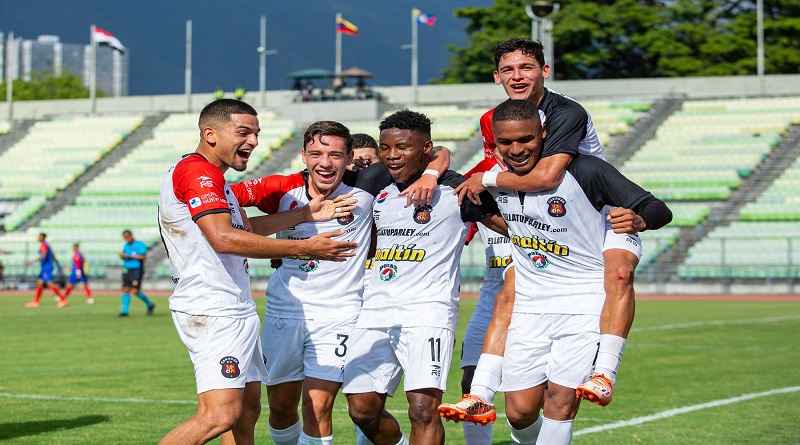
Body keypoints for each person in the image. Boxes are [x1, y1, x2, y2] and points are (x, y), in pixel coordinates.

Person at [442, 39, 649, 428]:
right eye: (508, 69)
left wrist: (485, 179)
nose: (517, 76)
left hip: (597, 213)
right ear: (497, 77)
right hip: (543, 218)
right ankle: (481, 396)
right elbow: (506, 169)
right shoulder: (494, 118)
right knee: (509, 292)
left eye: (526, 67)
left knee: (619, 273)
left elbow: (546, 177)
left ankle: (604, 372)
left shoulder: (566, 111)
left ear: (545, 71)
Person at [230, 121, 450, 445]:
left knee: (317, 406)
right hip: (283, 312)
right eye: (316, 154)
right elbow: (227, 204)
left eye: (335, 155)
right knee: (280, 407)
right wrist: (298, 224)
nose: (325, 163)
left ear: (349, 159)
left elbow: (438, 151)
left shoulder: (366, 189)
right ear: (303, 155)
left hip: (340, 314)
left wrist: (430, 174)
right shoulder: (281, 189)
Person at [489, 100, 671, 444]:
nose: (516, 149)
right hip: (533, 303)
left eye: (526, 139)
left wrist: (640, 219)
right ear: (495, 141)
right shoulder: (495, 180)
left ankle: (605, 372)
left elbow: (658, 208)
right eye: (506, 142)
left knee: (560, 401)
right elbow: (472, 207)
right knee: (519, 412)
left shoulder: (585, 170)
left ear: (544, 133)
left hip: (584, 297)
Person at [343, 109, 506, 445]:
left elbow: (509, 227)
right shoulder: (378, 186)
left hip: (428, 312)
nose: (392, 155)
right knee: (361, 409)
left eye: (402, 147)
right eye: (385, 147)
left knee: (423, 410)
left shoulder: (457, 189)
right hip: (374, 311)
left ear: (426, 148)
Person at [24, 232, 67, 308]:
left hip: (47, 267)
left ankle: (62, 300)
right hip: (46, 266)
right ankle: (36, 302)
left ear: (43, 238)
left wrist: (31, 261)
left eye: (40, 237)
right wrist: (57, 265)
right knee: (39, 283)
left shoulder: (44, 245)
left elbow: (43, 256)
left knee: (50, 283)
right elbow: (53, 256)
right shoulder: (47, 245)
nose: (38, 238)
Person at [118, 229, 155, 317]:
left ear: (131, 236)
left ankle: (150, 304)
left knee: (135, 291)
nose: (126, 239)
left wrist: (130, 256)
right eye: (124, 238)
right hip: (127, 269)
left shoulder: (140, 244)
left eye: (127, 237)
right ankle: (124, 312)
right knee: (125, 289)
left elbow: (143, 257)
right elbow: (125, 255)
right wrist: (122, 256)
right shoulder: (126, 245)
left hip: (137, 269)